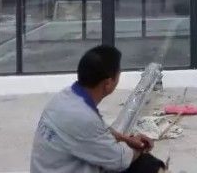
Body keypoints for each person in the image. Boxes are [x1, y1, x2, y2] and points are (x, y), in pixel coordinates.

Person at [30, 45, 168, 173]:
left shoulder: (65, 97)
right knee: (147, 165)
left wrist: (126, 139)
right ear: (108, 83)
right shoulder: (83, 118)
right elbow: (120, 160)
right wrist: (140, 149)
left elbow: (98, 129)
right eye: (118, 73)